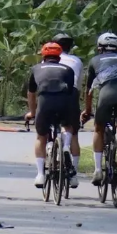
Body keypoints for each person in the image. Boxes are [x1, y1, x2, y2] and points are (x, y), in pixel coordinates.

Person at [81, 31, 117, 187]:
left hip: (107, 94)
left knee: (98, 129)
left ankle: (98, 170)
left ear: (100, 47)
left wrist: (87, 110)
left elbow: (89, 90)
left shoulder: (94, 60)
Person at [24, 42, 80, 189]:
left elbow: (31, 93)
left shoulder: (35, 68)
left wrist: (33, 112)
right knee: (68, 127)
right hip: (64, 102)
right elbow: (70, 91)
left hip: (45, 102)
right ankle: (66, 146)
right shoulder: (67, 69)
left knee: (41, 137)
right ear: (59, 57)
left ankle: (40, 175)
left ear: (44, 56)